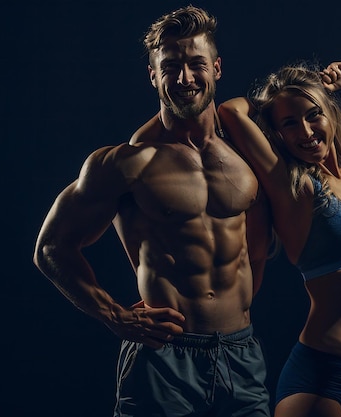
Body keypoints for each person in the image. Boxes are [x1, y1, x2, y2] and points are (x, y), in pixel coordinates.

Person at [33, 6, 272, 417]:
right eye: (170, 66)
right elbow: (51, 247)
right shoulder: (128, 162)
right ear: (152, 75)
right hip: (165, 359)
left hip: (241, 354)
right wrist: (115, 316)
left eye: (196, 64)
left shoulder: (250, 151)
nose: (184, 78)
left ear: (216, 68)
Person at [218, 61, 341, 417]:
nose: (306, 130)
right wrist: (269, 103)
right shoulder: (291, 186)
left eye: (314, 115)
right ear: (276, 133)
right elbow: (230, 111)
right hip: (319, 382)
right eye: (289, 123)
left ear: (330, 114)